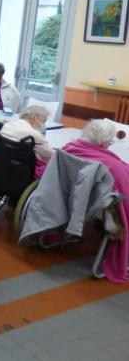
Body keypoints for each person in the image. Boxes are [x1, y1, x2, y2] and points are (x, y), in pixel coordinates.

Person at [62, 119, 129, 282]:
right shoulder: (113, 166)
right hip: (100, 208)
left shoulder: (68, 149)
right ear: (103, 142)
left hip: (73, 199)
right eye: (110, 141)